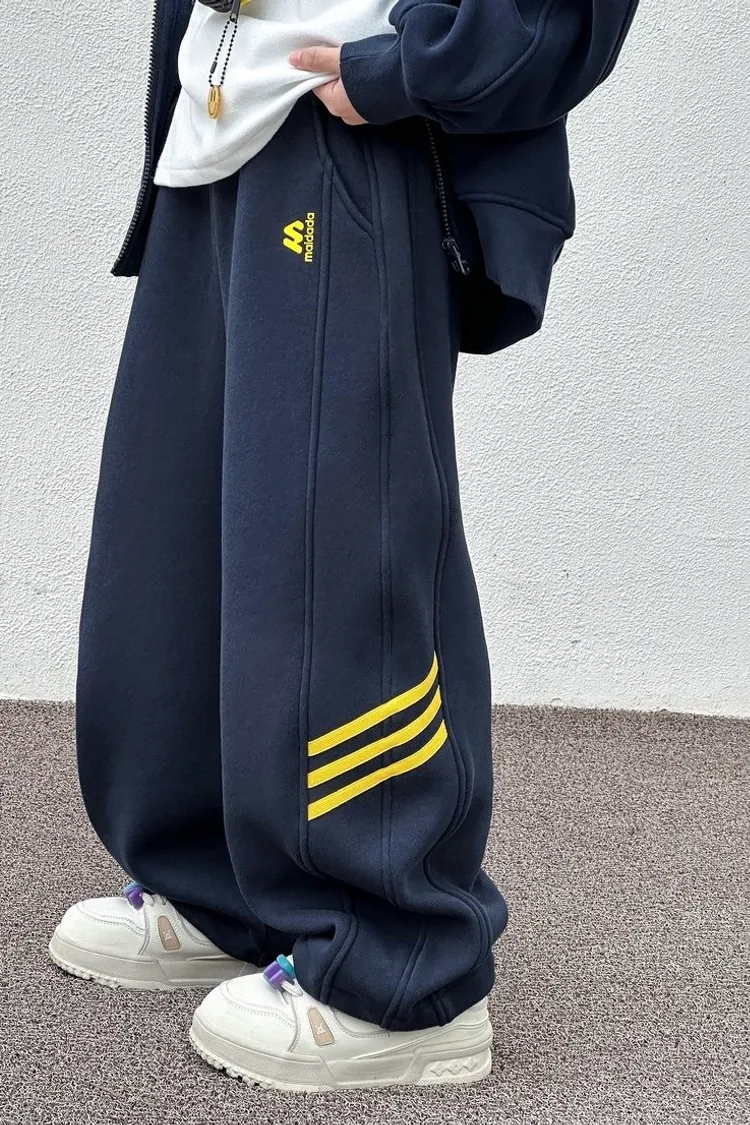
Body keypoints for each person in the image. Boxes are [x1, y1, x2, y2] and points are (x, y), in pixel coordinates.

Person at [49, 0, 639, 1093]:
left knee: (333, 548)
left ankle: (399, 963)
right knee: (173, 539)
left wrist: (425, 64)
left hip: (354, 120)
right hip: (219, 109)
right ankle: (219, 888)